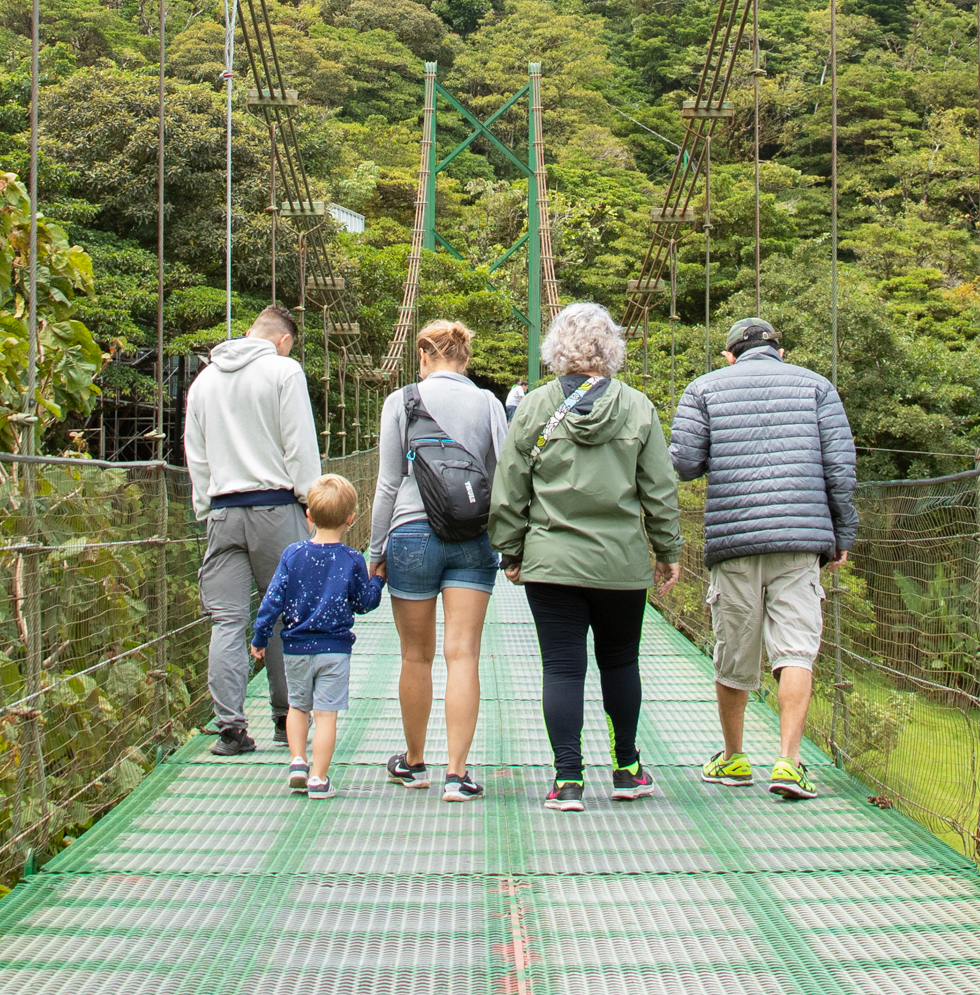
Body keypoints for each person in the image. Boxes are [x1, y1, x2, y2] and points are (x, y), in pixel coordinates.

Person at [488, 301, 681, 813]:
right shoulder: (638, 407)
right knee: (621, 662)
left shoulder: (532, 407)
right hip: (620, 562)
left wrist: (510, 550)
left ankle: (567, 780)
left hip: (552, 561)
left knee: (563, 668)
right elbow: (659, 489)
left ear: (556, 349)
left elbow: (509, 489)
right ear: (611, 349)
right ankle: (626, 768)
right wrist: (667, 550)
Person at [667, 314, 857, 800]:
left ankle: (733, 759)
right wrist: (842, 533)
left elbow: (684, 464)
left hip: (734, 541)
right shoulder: (818, 388)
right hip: (800, 540)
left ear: (730, 355)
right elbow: (840, 468)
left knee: (734, 649)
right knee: (796, 648)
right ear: (781, 352)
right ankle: (789, 763)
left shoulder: (704, 388)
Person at [367, 318, 507, 802]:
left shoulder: (401, 400)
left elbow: (388, 483)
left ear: (423, 356)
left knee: (415, 655)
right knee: (463, 654)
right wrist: (512, 545)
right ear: (466, 359)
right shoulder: (488, 402)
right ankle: (457, 774)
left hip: (409, 533)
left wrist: (375, 551)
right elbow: (502, 478)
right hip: (473, 536)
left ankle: (414, 763)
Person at [182, 304, 321, 758]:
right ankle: (287, 720)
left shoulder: (203, 382)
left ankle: (230, 730)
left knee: (227, 621)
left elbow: (196, 455)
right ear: (282, 341)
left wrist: (207, 506)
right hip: (276, 508)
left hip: (222, 511)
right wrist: (310, 501)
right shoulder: (284, 372)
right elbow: (298, 443)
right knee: (284, 615)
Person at [249, 474, 382, 797]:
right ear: (351, 519)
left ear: (308, 515)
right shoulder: (352, 559)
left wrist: (260, 637)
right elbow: (364, 603)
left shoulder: (293, 555)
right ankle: (319, 778)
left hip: (295, 647)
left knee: (298, 707)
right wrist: (378, 580)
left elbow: (273, 601)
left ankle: (297, 760)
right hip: (334, 650)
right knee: (326, 716)